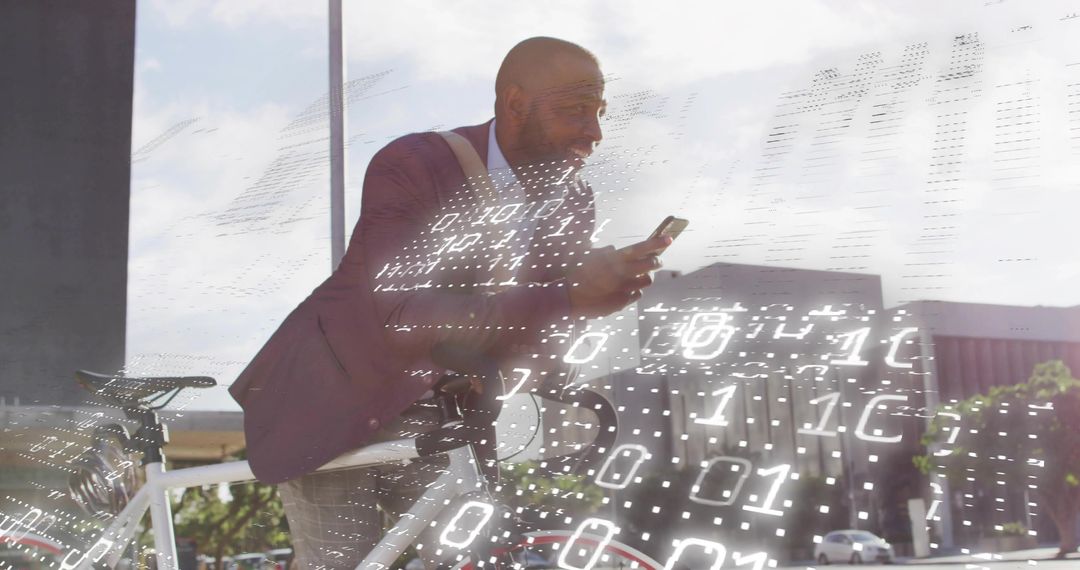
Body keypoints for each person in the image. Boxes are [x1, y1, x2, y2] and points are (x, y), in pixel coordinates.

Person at [228, 36, 669, 568]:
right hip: (335, 402)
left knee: (469, 556)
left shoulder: (572, 201)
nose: (594, 132)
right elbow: (400, 315)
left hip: (440, 415)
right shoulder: (413, 164)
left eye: (599, 113)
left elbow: (539, 326)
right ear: (515, 104)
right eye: (575, 110)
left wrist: (586, 307)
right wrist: (568, 296)